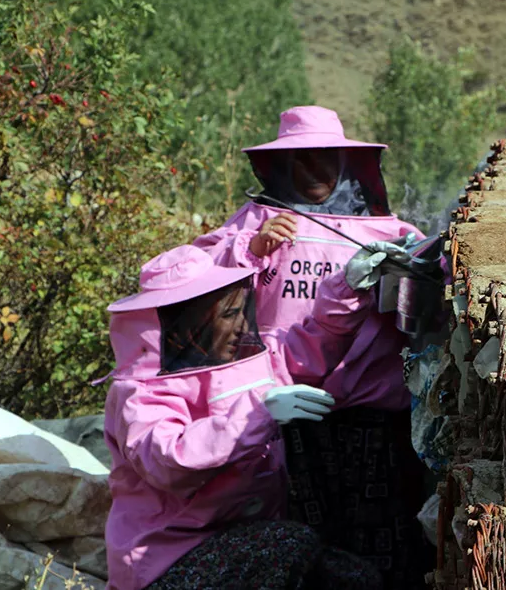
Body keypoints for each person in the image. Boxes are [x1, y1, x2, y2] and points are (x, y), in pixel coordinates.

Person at [193, 106, 444, 588]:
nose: (315, 172)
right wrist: (250, 248)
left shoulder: (391, 232)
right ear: (280, 166)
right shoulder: (254, 222)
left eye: (325, 158)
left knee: (384, 547)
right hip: (287, 412)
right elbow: (192, 286)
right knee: (302, 546)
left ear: (346, 162)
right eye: (301, 160)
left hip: (376, 420)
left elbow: (431, 272)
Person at [103, 243, 405, 590]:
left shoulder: (244, 359)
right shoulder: (138, 394)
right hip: (163, 562)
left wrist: (348, 287)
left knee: (355, 579)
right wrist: (257, 415)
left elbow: (305, 350)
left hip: (243, 537)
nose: (242, 325)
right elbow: (168, 459)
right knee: (288, 544)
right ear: (190, 325)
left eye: (241, 310)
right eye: (229, 315)